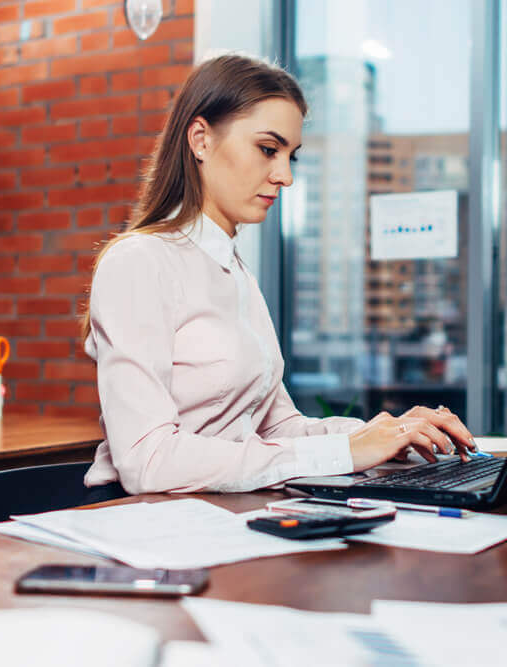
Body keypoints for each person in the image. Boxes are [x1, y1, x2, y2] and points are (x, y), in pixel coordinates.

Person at [81, 54, 476, 494]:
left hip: (220, 512)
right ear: (200, 140)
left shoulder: (236, 272)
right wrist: (348, 451)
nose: (285, 176)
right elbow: (147, 459)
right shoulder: (139, 262)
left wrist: (389, 433)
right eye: (268, 149)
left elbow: (277, 428)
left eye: (291, 155)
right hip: (143, 522)